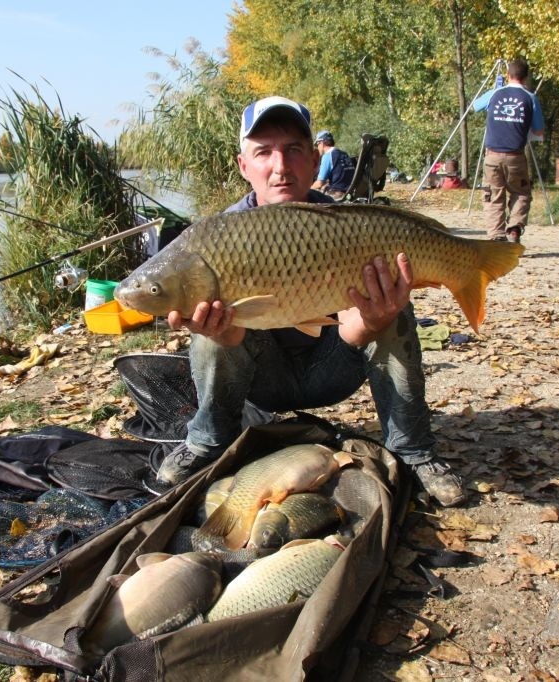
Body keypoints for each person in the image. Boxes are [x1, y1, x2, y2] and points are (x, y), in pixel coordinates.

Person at [154, 95, 466, 507]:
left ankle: (412, 450)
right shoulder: (214, 239)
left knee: (396, 309)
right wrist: (218, 332)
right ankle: (208, 441)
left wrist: (377, 318)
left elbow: (355, 331)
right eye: (263, 152)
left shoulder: (344, 226)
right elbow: (231, 344)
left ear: (315, 161)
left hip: (332, 367)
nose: (280, 166)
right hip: (260, 380)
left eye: (294, 150)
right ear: (243, 165)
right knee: (207, 324)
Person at [472, 58, 545, 243]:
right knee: (520, 193)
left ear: (507, 75)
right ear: (526, 77)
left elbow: (475, 106)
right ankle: (514, 229)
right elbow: (539, 130)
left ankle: (496, 237)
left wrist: (496, 89)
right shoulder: (530, 98)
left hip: (492, 156)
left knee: (493, 196)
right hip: (516, 157)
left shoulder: (495, 93)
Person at [311, 130, 355, 200]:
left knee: (312, 193)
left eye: (317, 144)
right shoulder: (344, 154)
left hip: (337, 195)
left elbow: (319, 183)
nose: (317, 147)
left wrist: (308, 189)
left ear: (322, 142)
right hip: (351, 192)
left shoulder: (328, 156)